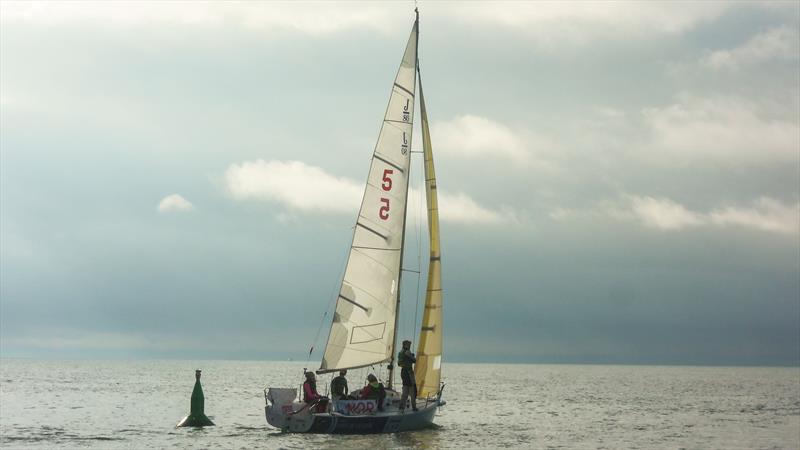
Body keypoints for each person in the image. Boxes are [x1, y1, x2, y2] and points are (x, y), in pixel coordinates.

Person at [398, 339, 418, 412]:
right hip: (408, 372)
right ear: (405, 345)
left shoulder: (400, 352)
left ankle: (401, 407)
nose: (409, 346)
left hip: (403, 372)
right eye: (409, 344)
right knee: (412, 390)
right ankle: (414, 407)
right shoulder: (407, 352)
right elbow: (414, 360)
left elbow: (399, 363)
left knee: (405, 390)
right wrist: (412, 357)